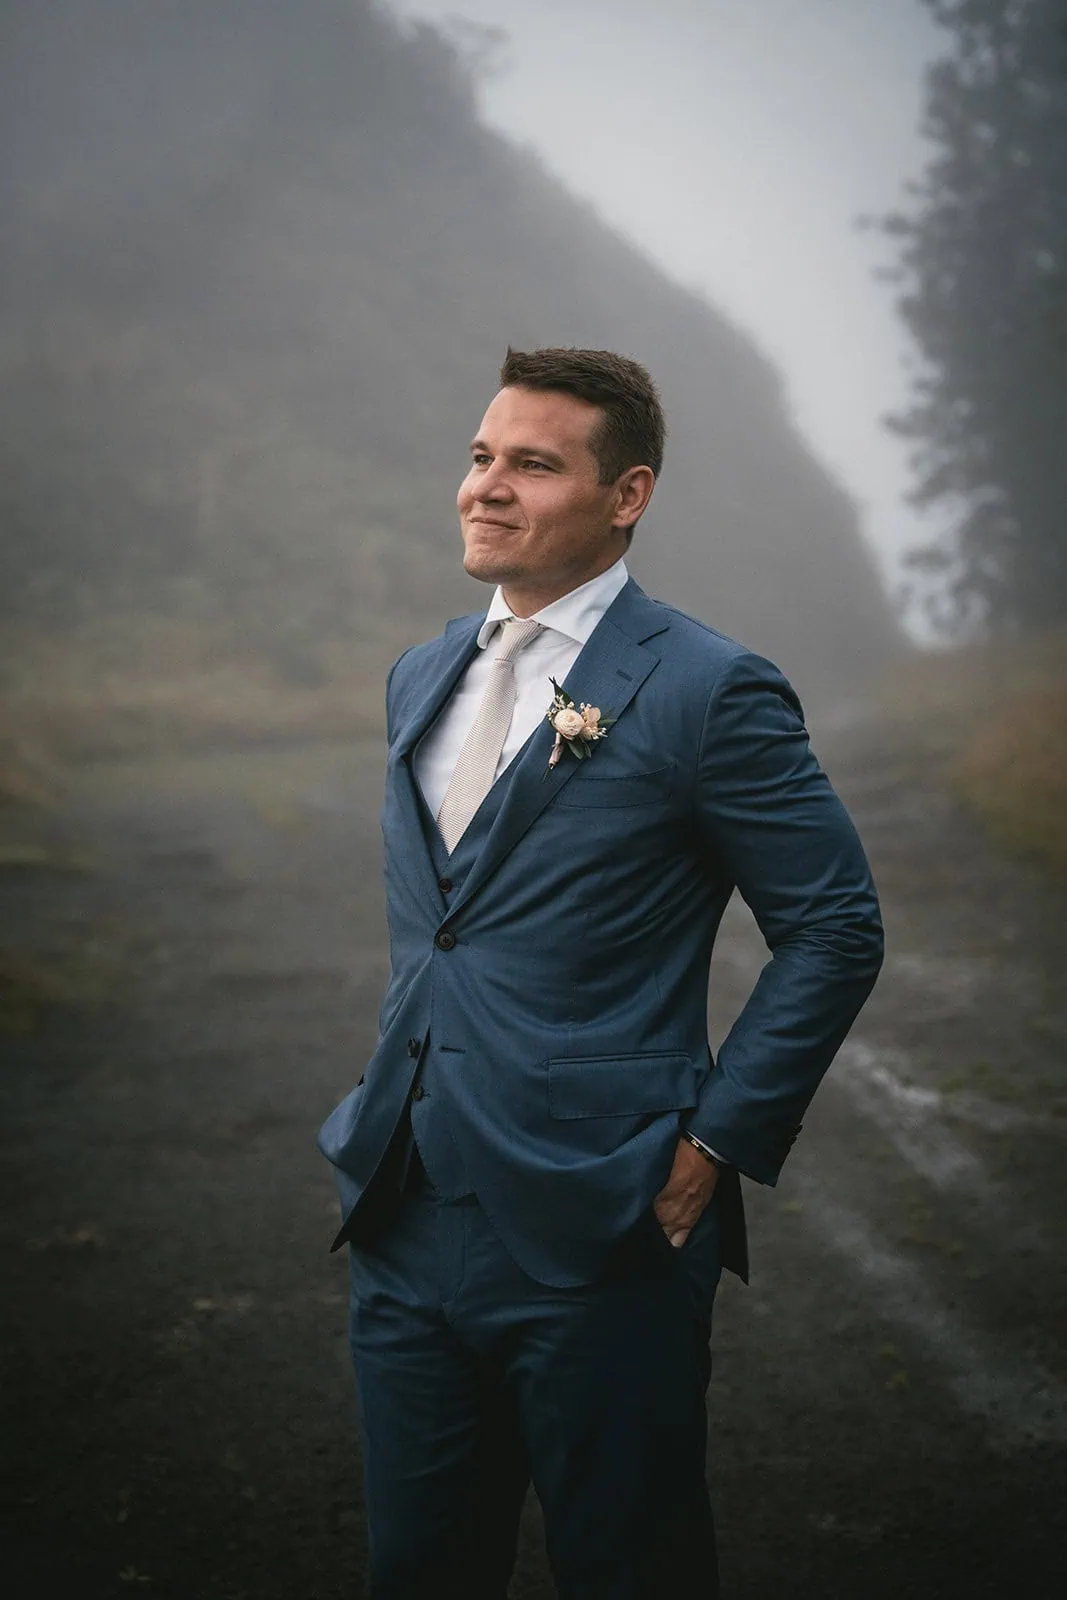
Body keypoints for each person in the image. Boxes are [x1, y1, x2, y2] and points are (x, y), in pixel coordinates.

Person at [318, 346, 884, 1598]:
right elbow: (451, 931)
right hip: (404, 1210)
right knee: (415, 1570)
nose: (485, 488)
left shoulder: (705, 686)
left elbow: (835, 925)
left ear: (624, 495)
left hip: (606, 1219)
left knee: (630, 1567)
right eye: (479, 457)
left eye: (532, 463)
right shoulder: (424, 673)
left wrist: (716, 1140)